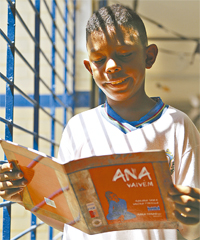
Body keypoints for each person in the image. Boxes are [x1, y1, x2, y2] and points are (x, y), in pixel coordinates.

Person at [0, 4, 200, 240]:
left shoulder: (177, 125)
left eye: (124, 54)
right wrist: (24, 194)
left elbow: (190, 228)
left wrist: (195, 216)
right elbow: (70, 220)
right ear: (89, 67)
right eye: (99, 59)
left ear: (149, 56)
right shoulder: (78, 127)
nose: (112, 66)